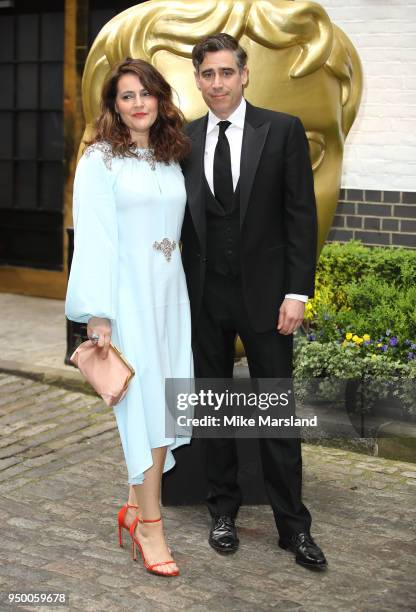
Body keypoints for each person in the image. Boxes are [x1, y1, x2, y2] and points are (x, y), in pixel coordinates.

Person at [180, 33, 327, 570]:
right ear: (197, 80)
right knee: (214, 411)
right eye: (207, 74)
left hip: (268, 299)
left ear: (244, 75)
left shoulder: (282, 130)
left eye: (225, 72)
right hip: (203, 298)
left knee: (275, 412)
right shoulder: (185, 139)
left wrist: (296, 291)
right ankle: (223, 510)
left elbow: (300, 216)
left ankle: (294, 527)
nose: (217, 83)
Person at [65, 58, 193, 577]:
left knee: (166, 407)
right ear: (113, 106)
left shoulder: (170, 157)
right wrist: (100, 314)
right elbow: (93, 238)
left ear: (159, 99)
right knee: (141, 412)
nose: (138, 103)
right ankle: (151, 527)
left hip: (171, 298)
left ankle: (136, 509)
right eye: (126, 95)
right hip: (127, 301)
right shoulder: (100, 159)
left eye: (146, 93)